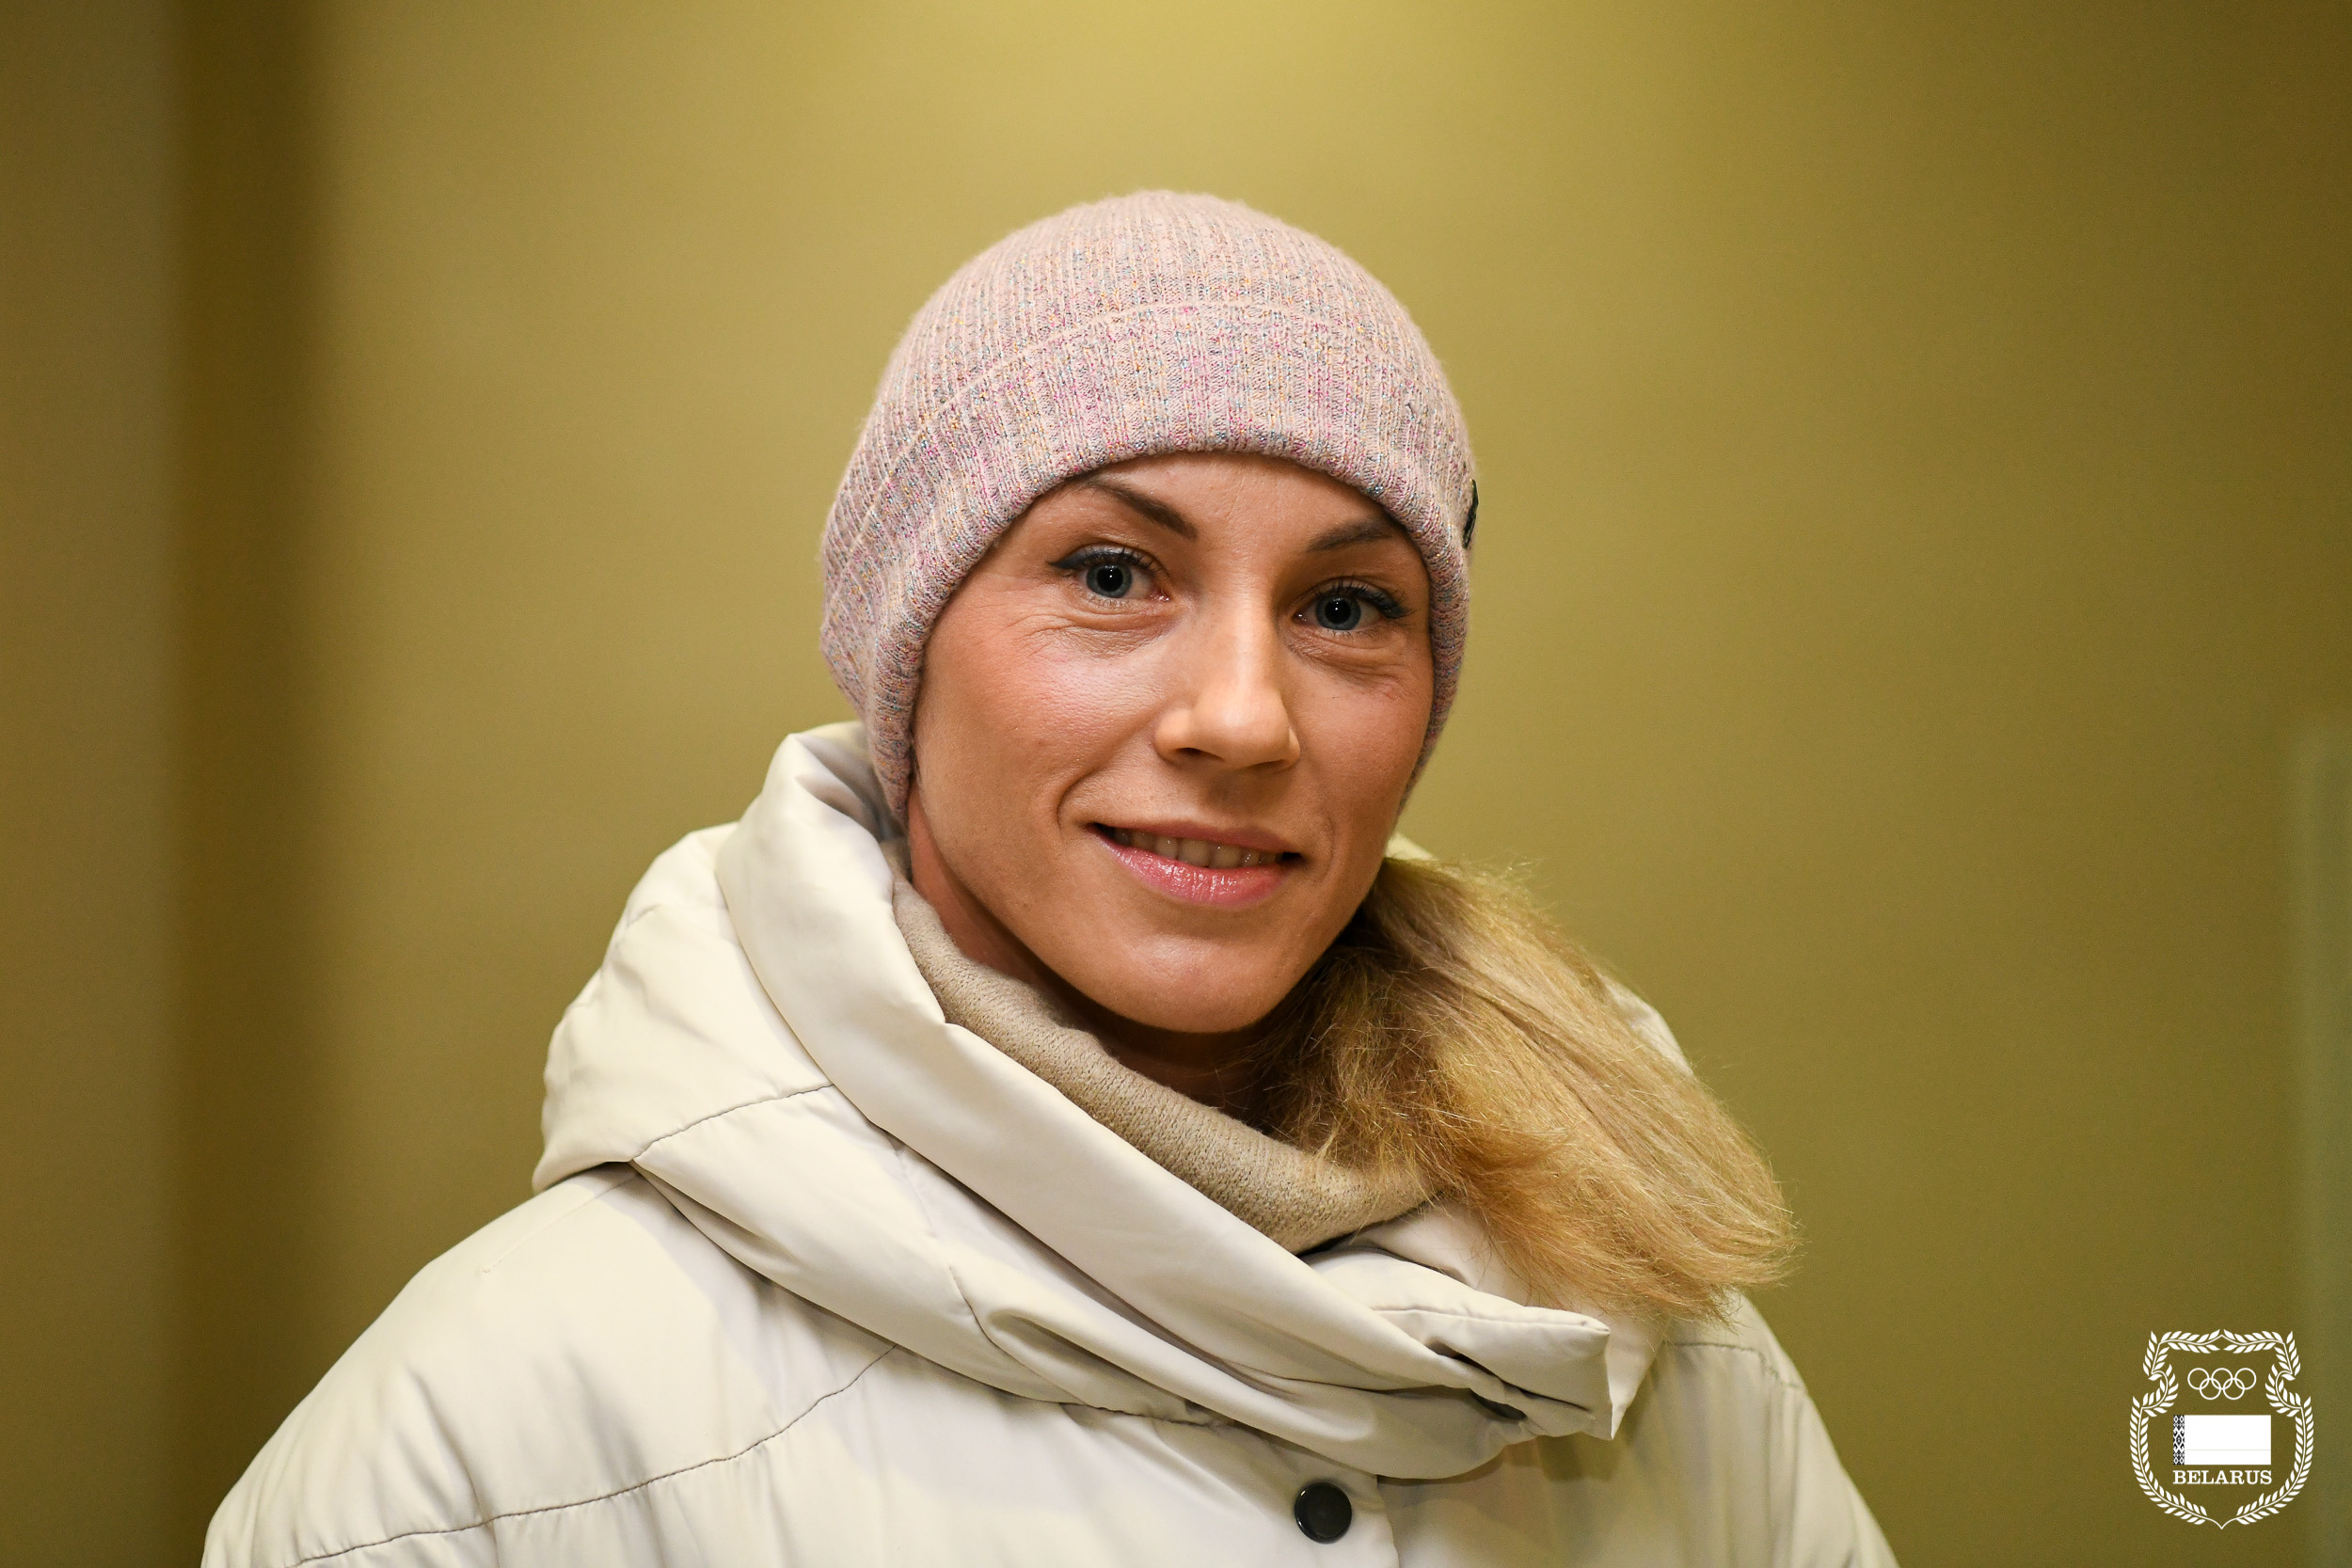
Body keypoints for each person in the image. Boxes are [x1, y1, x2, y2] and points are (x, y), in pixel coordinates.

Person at [207, 192, 1896, 1566]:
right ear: (906, 655)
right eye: (1109, 573)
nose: (1242, 717)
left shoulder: (1640, 1332)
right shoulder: (492, 1454)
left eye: (1346, 607)